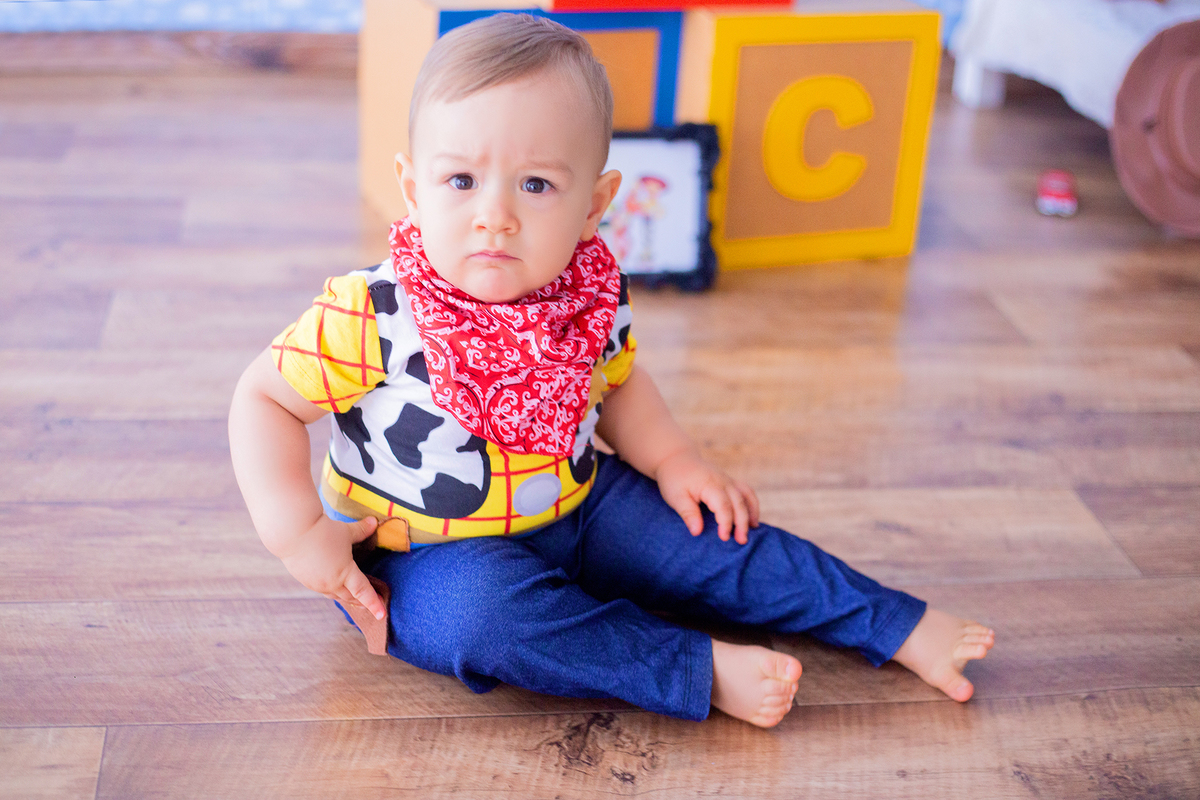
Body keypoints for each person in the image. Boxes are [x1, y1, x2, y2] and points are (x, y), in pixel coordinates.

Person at [228, 13, 994, 728]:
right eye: (461, 181)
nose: (495, 215)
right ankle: (693, 667)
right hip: (421, 555)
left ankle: (894, 622)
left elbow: (618, 383)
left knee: (714, 535)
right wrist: (298, 534)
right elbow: (264, 399)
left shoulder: (587, 295)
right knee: (481, 623)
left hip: (581, 504)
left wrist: (675, 460)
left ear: (594, 205)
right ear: (413, 189)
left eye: (535, 184)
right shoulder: (377, 311)